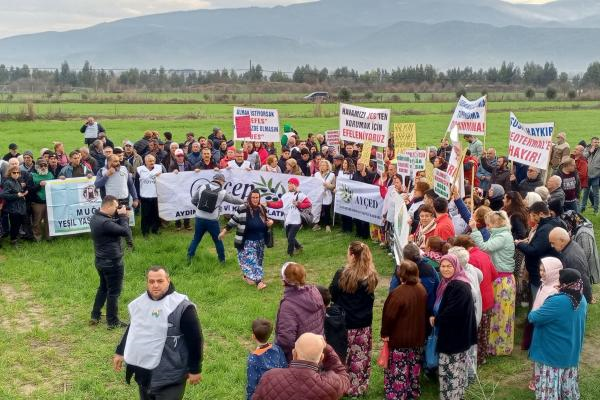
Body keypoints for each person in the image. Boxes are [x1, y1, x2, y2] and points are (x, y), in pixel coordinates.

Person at [113, 266, 203, 400]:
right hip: (143, 373)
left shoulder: (182, 307)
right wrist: (121, 351)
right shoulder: (141, 304)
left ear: (168, 280)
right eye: (151, 281)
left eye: (160, 281)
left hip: (171, 376)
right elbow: (133, 328)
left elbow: (195, 340)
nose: (155, 285)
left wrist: (195, 369)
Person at [329, 241, 378, 397]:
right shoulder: (371, 275)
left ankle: (340, 386)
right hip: (363, 324)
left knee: (341, 356)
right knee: (360, 357)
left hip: (344, 323)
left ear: (351, 254)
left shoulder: (342, 273)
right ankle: (356, 387)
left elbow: (333, 294)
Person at [528, 269, 587, 399]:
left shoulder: (558, 301)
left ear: (563, 283)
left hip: (553, 354)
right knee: (566, 390)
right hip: (571, 352)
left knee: (550, 393)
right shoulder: (582, 299)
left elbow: (533, 317)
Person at [470, 210, 516, 356]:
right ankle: (493, 344)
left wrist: (474, 230)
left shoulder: (502, 236)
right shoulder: (500, 234)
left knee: (500, 313)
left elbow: (485, 247)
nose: (487, 226)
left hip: (502, 280)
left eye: (489, 223)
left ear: (496, 223)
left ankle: (498, 346)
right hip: (500, 278)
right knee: (497, 313)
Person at [432, 254, 477, 400]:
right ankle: (456, 395)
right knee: (456, 370)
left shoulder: (457, 286)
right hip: (457, 335)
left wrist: (436, 320)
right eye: (443, 266)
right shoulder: (449, 282)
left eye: (449, 266)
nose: (445, 269)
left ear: (456, 266)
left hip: (454, 337)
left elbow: (452, 313)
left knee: (450, 371)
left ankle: (451, 396)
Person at [253, 333, 350, 400]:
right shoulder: (331, 385)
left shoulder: (269, 377)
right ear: (321, 358)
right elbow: (344, 377)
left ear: (294, 354)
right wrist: (327, 348)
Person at [381, 260, 427, 400]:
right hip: (417, 337)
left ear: (401, 274)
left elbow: (389, 316)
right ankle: (413, 391)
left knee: (399, 366)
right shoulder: (421, 289)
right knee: (413, 365)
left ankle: (398, 393)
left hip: (400, 338)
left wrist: (385, 333)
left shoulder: (398, 293)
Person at [89, 196, 131, 329]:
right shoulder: (105, 223)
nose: (117, 209)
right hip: (112, 262)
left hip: (100, 261)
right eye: (115, 206)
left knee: (103, 288)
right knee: (113, 292)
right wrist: (124, 217)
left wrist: (120, 218)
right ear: (108, 206)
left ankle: (95, 315)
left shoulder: (96, 217)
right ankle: (112, 321)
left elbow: (112, 225)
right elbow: (125, 231)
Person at [220, 189, 273, 290]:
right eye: (253, 197)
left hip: (260, 240)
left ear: (259, 198)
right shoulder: (243, 208)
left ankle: (247, 276)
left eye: (257, 197)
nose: (255, 199)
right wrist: (224, 231)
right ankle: (259, 282)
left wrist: (270, 222)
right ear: (249, 197)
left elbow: (266, 220)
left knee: (258, 261)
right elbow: (233, 220)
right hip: (247, 241)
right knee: (252, 261)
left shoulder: (262, 208)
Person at [187, 173, 244, 264]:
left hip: (199, 218)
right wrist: (245, 202)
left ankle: (189, 258)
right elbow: (233, 200)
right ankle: (222, 261)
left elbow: (193, 200)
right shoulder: (222, 192)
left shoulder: (202, 187)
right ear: (221, 181)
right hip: (212, 220)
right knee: (218, 240)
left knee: (196, 239)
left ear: (213, 179)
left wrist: (199, 208)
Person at [275, 263, 325, 361]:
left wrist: (279, 355)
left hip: (300, 358)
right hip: (316, 351)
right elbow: (323, 316)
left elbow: (286, 340)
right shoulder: (315, 291)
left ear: (284, 280)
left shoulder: (288, 305)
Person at [516, 201, 563, 305]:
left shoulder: (546, 229)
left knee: (538, 301)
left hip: (540, 273)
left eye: (534, 215)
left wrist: (519, 244)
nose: (532, 218)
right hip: (538, 271)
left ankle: (534, 319)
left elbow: (535, 250)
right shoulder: (545, 225)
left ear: (541, 214)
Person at [267, 177, 312, 257]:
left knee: (291, 236)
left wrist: (299, 204)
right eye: (288, 184)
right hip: (288, 219)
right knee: (288, 236)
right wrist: (268, 204)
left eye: (291, 184)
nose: (289, 185)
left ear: (295, 185)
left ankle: (290, 253)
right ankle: (298, 247)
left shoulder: (300, 195)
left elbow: (308, 204)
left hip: (297, 219)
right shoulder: (285, 195)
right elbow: (279, 204)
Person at [549, 227, 594, 304]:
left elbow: (582, 278)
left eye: (553, 243)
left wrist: (587, 298)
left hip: (575, 299)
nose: (552, 246)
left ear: (562, 241)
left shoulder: (571, 257)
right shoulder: (572, 245)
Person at [246, 318, 287, 400]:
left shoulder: (252, 359)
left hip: (262, 394)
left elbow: (252, 384)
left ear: (253, 336)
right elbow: (285, 368)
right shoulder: (277, 349)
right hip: (279, 391)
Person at [136, 154, 164, 237]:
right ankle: (145, 232)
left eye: (153, 161)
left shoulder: (159, 168)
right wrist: (137, 196)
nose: (152, 162)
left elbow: (167, 177)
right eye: (150, 161)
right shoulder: (140, 170)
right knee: (145, 215)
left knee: (156, 214)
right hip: (145, 196)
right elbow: (136, 184)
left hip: (156, 195)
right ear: (145, 162)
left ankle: (155, 229)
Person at [0, 165, 28, 246]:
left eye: (17, 172)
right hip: (13, 208)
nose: (16, 174)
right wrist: (17, 195)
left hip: (19, 207)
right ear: (10, 173)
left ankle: (15, 239)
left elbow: (17, 191)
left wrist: (23, 193)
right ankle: (13, 241)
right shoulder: (8, 182)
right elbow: (3, 195)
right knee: (14, 225)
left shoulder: (17, 181)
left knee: (18, 224)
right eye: (14, 172)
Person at [29, 158, 54, 242]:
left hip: (49, 202)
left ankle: (49, 237)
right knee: (37, 221)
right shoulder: (32, 175)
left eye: (45, 165)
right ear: (37, 167)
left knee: (49, 220)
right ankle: (37, 238)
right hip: (37, 203)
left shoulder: (51, 174)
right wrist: (39, 185)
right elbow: (30, 190)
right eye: (41, 165)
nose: (43, 167)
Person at [313, 160, 335, 232]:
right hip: (318, 195)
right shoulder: (316, 174)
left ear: (328, 167)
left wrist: (328, 185)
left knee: (326, 210)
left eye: (324, 165)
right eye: (321, 165)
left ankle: (327, 225)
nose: (322, 167)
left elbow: (334, 186)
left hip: (327, 194)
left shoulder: (331, 175)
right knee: (317, 209)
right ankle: (317, 224)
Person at [582, 137, 600, 214]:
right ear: (591, 143)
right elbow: (583, 157)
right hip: (587, 175)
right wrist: (590, 151)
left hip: (596, 175)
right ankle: (582, 208)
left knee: (596, 194)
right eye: (595, 142)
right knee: (585, 192)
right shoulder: (587, 149)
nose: (597, 144)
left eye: (598, 142)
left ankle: (596, 210)